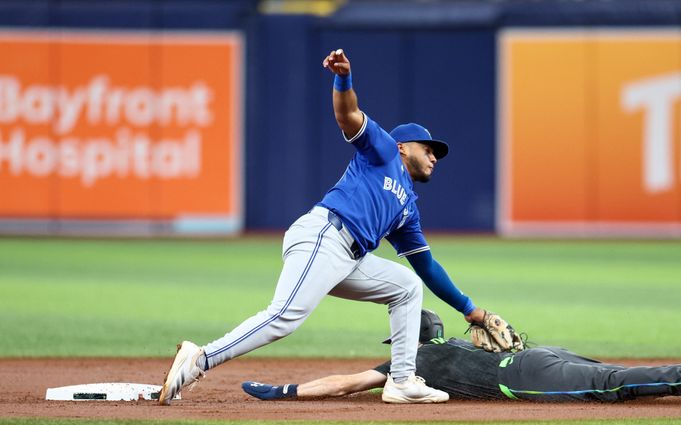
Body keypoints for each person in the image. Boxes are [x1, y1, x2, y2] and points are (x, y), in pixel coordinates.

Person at [159, 49, 493, 405]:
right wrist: (343, 78)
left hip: (349, 258)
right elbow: (348, 115)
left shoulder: (407, 208)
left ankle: (402, 380)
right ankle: (200, 358)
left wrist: (471, 309)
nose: (433, 157)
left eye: (436, 155)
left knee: (407, 286)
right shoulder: (382, 151)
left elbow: (426, 265)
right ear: (402, 146)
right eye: (428, 149)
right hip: (325, 235)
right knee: (285, 316)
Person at [242, 310, 681, 406]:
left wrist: (283, 390)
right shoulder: (448, 345)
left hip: (525, 374)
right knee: (604, 374)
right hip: (538, 353)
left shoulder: (413, 366)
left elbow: (344, 383)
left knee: (609, 385)